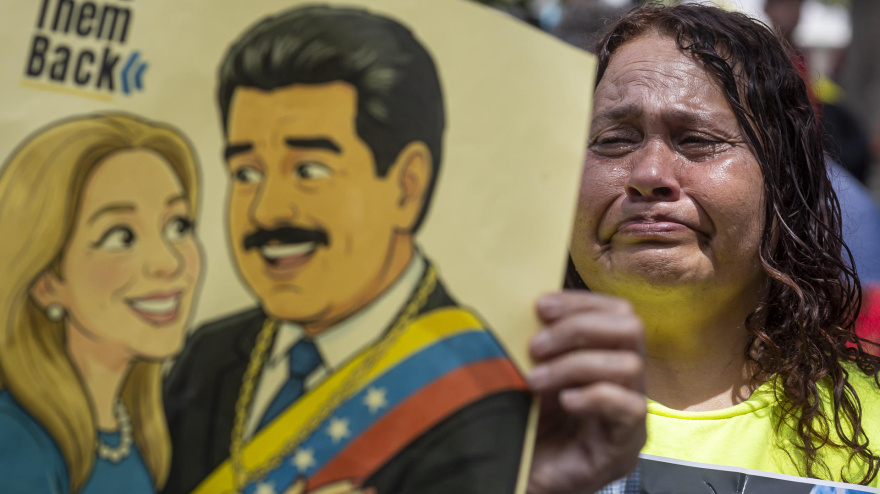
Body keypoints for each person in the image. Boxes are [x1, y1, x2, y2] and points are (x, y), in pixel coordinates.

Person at [163, 6, 530, 494]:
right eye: (246, 174)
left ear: (406, 186)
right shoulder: (206, 357)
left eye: (309, 170)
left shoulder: (484, 404)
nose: (266, 211)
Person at [552, 3, 880, 488]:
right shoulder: (459, 410)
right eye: (615, 139)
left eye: (697, 140)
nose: (649, 176)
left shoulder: (869, 427)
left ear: (783, 184)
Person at [0, 113, 204, 493]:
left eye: (178, 227)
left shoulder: (129, 428)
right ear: (46, 283)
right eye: (121, 236)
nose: (169, 262)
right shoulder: (18, 442)